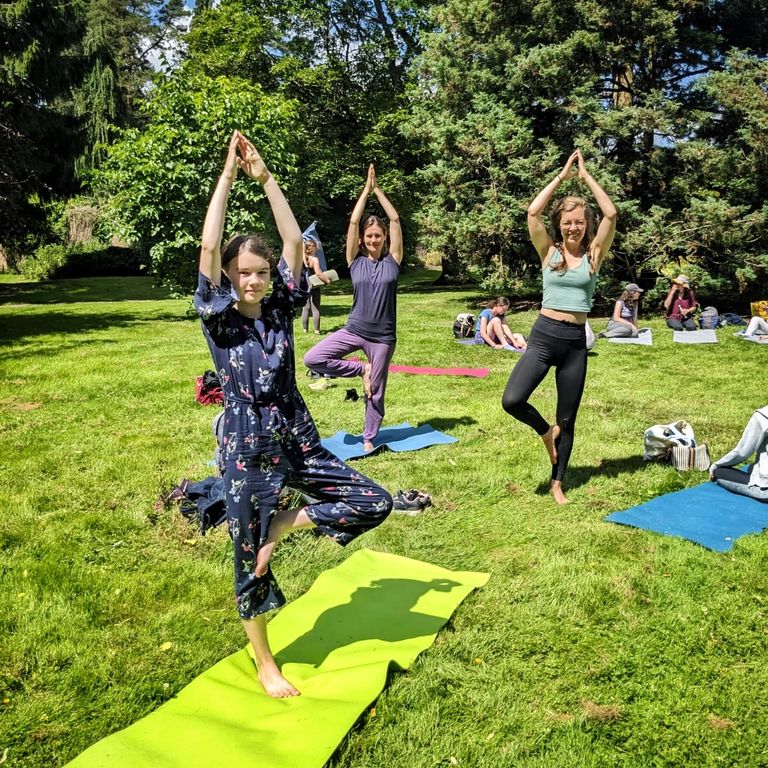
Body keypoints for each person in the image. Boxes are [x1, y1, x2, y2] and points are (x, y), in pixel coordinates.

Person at [195, 132, 392, 698]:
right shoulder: (218, 315)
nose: (252, 280)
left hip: (296, 435)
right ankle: (264, 661)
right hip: (246, 444)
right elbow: (208, 248)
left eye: (259, 271)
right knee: (247, 560)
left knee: (373, 501)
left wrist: (265, 177)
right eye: (242, 273)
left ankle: (281, 525)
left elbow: (291, 237)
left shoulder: (281, 306)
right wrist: (228, 178)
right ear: (230, 278)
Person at [501, 149, 617, 504]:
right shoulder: (549, 253)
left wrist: (586, 178)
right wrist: (561, 178)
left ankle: (557, 482)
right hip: (543, 337)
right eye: (568, 221)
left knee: (567, 418)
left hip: (574, 344)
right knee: (513, 399)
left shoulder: (594, 256)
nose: (573, 227)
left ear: (587, 225)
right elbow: (532, 212)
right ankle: (544, 432)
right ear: (560, 224)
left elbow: (611, 212)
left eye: (580, 221)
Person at [304, 164, 402, 452]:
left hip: (383, 337)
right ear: (362, 239)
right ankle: (360, 370)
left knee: (377, 391)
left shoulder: (393, 262)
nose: (373, 239)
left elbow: (394, 219)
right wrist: (364, 191)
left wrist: (378, 190)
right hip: (354, 329)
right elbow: (352, 223)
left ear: (384, 239)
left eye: (378, 236)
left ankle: (369, 437)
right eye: (369, 236)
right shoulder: (354, 260)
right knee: (313, 358)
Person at [710, 406, 768, 501]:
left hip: (765, 492)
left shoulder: (762, 416)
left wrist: (716, 465)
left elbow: (742, 453)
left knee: (719, 472)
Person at [300, 235, 330, 334]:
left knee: (305, 308)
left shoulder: (303, 258)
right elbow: (318, 273)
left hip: (304, 285)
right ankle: (316, 330)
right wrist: (327, 281)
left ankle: (305, 330)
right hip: (314, 285)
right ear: (313, 248)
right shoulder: (314, 260)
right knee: (315, 308)